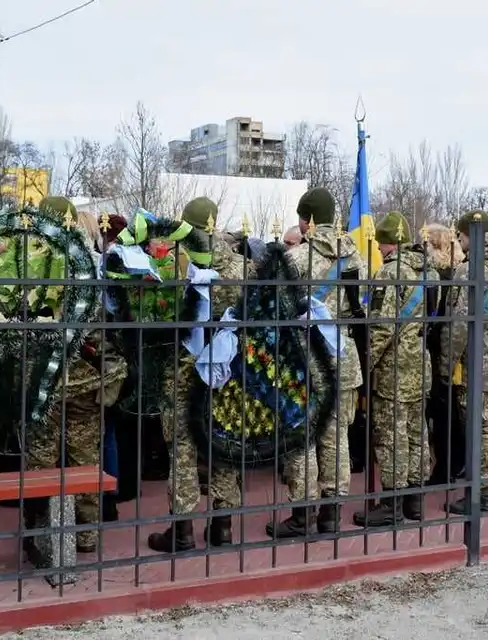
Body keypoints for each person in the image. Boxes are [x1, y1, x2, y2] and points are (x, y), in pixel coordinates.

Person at [24, 195, 128, 554]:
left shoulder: (28, 264)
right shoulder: (91, 263)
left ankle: (42, 533)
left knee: (41, 461)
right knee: (84, 458)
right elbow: (106, 324)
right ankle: (85, 533)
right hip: (86, 380)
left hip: (42, 382)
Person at [148, 197, 248, 552]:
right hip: (227, 370)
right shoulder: (241, 266)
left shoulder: (174, 263)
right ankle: (222, 526)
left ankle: (183, 528)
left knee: (183, 448)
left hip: (183, 369)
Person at [267, 187, 364, 537]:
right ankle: (331, 512)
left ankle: (302, 513)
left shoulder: (295, 260)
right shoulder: (356, 258)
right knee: (337, 435)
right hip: (343, 356)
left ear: (307, 220)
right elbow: (361, 310)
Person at [354, 211, 437, 527]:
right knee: (417, 433)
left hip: (394, 370)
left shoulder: (389, 275)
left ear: (387, 243)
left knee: (391, 436)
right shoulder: (428, 272)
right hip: (420, 364)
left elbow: (381, 329)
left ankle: (391, 504)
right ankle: (414, 501)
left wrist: (366, 367)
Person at [439, 213, 488, 512]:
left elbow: (460, 324)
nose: (459, 241)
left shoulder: (468, 270)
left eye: (460, 236)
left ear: (471, 235)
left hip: (479, 356)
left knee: (481, 426)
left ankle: (480, 494)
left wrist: (447, 364)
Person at [423, 223, 466, 486]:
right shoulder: (458, 270)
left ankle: (446, 467)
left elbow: (435, 316)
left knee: (442, 412)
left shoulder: (438, 274)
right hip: (453, 347)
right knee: (452, 411)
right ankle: (456, 463)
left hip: (441, 347)